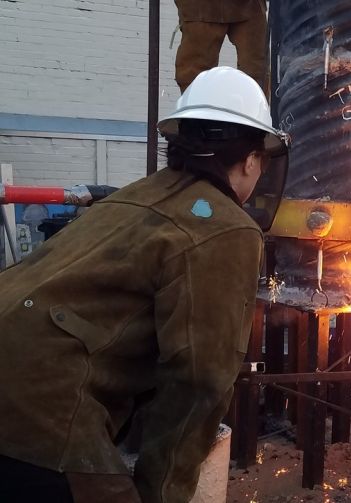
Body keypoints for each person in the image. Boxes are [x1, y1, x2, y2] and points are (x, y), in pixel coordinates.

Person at [0, 66, 289, 503]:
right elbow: (201, 378)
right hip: (40, 412)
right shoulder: (228, 228)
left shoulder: (132, 196)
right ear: (251, 159)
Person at [174, 0, 268, 93]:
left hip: (248, 6)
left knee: (256, 72)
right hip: (201, 8)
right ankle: (194, 104)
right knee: (194, 75)